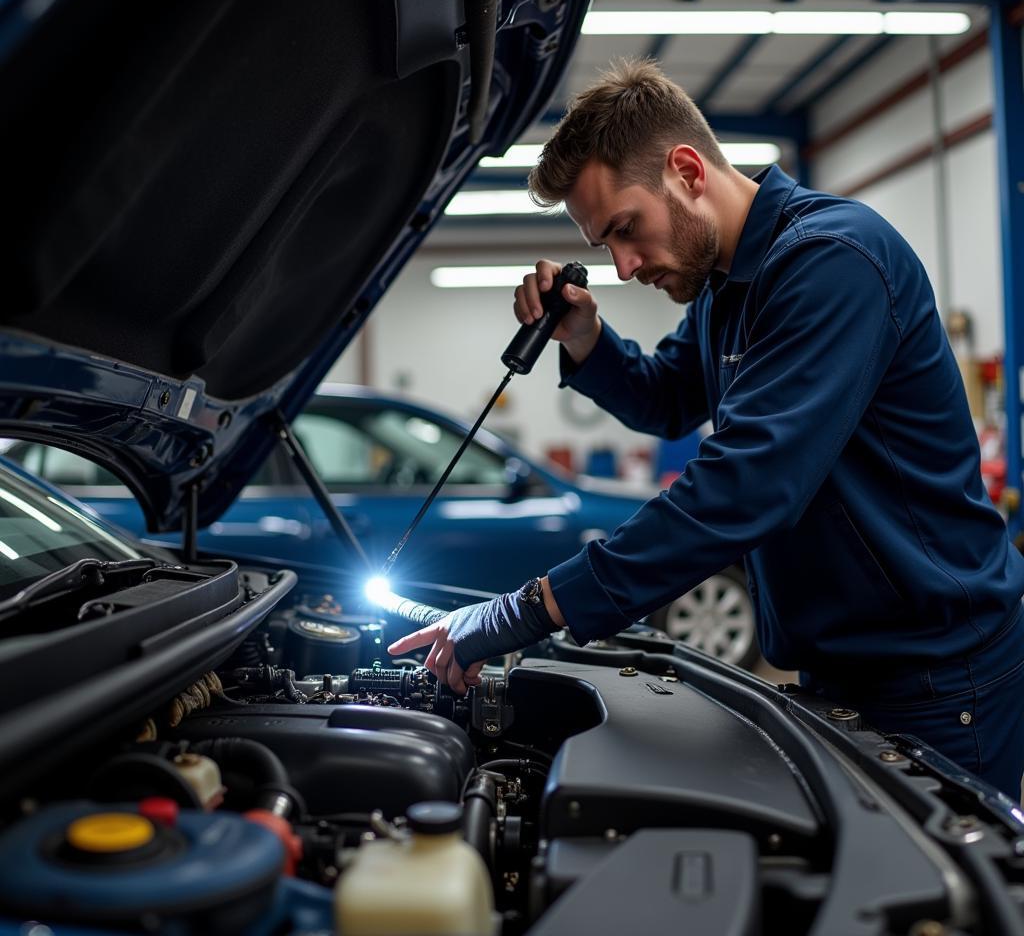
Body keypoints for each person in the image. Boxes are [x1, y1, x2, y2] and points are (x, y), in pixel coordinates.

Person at [389, 58, 1024, 800]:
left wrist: (527, 609)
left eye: (627, 229)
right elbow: (668, 398)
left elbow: (746, 486)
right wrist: (588, 340)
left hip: (941, 676)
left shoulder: (832, 261)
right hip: (845, 668)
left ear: (688, 170)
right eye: (605, 247)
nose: (623, 267)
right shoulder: (728, 289)